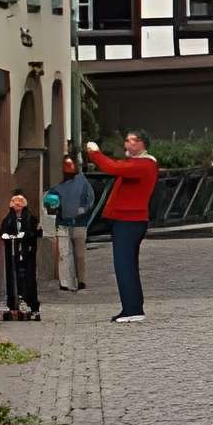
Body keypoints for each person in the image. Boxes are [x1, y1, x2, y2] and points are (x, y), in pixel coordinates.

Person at [85, 132, 160, 324]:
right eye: (127, 139)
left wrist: (95, 153)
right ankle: (132, 307)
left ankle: (132, 309)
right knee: (128, 266)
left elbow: (112, 167)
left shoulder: (144, 164)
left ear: (143, 144)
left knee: (124, 266)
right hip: (129, 220)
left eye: (133, 140)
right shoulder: (140, 164)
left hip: (129, 221)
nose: (128, 143)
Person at [0, 191, 42, 322]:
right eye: (15, 204)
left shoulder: (30, 218)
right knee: (12, 278)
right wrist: (5, 235)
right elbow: (3, 230)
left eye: (20, 204)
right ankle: (13, 304)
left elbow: (35, 232)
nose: (17, 206)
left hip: (27, 253)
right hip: (12, 254)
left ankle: (32, 305)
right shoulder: (9, 218)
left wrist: (26, 235)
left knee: (29, 279)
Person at [51, 152, 93, 293]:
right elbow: (51, 200)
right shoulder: (58, 183)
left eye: (70, 164)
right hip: (63, 223)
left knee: (80, 255)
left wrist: (84, 209)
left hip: (79, 223)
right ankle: (65, 282)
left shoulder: (82, 182)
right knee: (64, 254)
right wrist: (52, 205)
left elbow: (90, 199)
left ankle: (81, 281)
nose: (68, 167)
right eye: (66, 165)